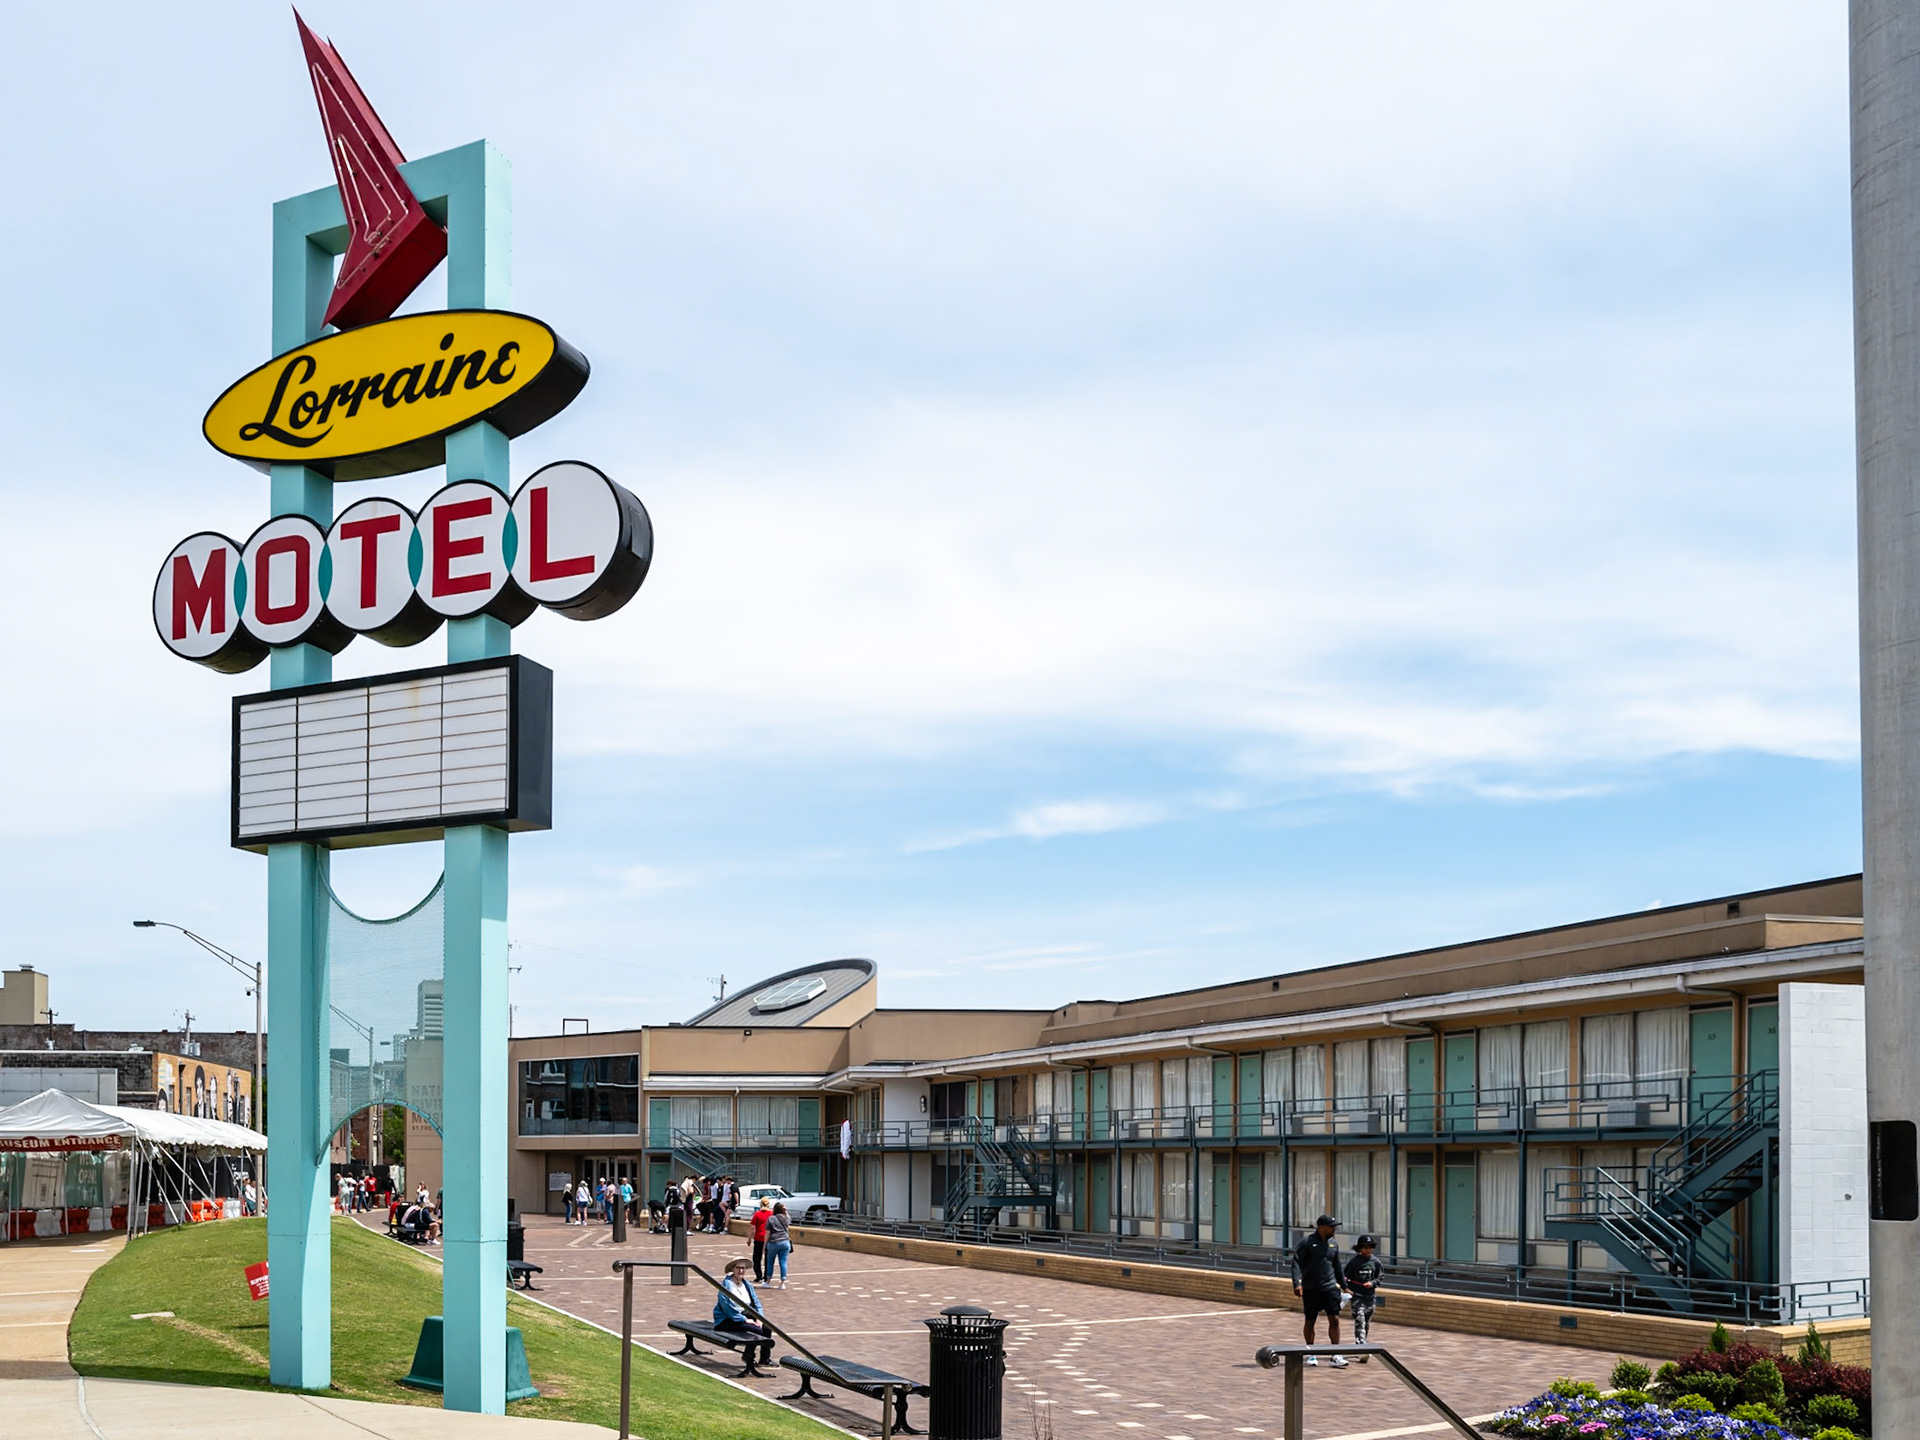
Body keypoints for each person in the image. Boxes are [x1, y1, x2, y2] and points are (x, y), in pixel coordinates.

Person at [1290, 1214, 1348, 1367]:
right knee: (1310, 1321)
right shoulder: (1307, 1243)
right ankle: (1311, 1352)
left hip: (1330, 1287)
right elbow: (1296, 1262)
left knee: (1334, 1319)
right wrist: (1297, 1283)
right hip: (1311, 1289)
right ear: (1321, 1227)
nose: (1334, 1229)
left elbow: (1337, 1266)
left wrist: (1344, 1286)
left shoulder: (1333, 1244)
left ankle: (1335, 1354)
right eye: (1331, 1227)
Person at [712, 1256, 773, 1366]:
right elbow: (728, 1309)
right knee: (756, 1330)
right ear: (733, 1269)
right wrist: (745, 1320)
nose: (741, 1271)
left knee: (767, 1328)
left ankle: (765, 1359)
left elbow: (756, 1303)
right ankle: (748, 1356)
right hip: (726, 1320)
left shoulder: (747, 1285)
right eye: (738, 1268)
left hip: (745, 1315)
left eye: (743, 1268)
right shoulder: (726, 1286)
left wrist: (759, 1318)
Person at [1344, 1234, 1382, 1360]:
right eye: (1365, 1248)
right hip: (1357, 1297)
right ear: (1359, 1248)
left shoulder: (1376, 1262)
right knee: (1359, 1321)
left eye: (1370, 1247)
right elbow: (1345, 1277)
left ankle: (1359, 1345)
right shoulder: (1354, 1262)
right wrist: (1347, 1287)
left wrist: (1372, 1283)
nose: (1368, 1250)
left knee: (1366, 1324)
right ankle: (1363, 1347)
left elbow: (1380, 1277)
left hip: (1370, 1297)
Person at [765, 1201, 792, 1287]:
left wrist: (765, 1245)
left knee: (770, 1262)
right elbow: (788, 1220)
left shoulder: (771, 1219)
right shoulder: (786, 1218)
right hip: (785, 1241)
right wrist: (785, 1210)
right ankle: (782, 1283)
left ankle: (768, 1281)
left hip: (773, 1242)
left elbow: (767, 1233)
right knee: (783, 1262)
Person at [751, 1196, 773, 1282]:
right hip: (769, 1239)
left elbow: (753, 1228)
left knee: (756, 1258)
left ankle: (758, 1275)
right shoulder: (772, 1214)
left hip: (759, 1238)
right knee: (768, 1258)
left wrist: (749, 1238)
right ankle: (766, 1276)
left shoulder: (757, 1214)